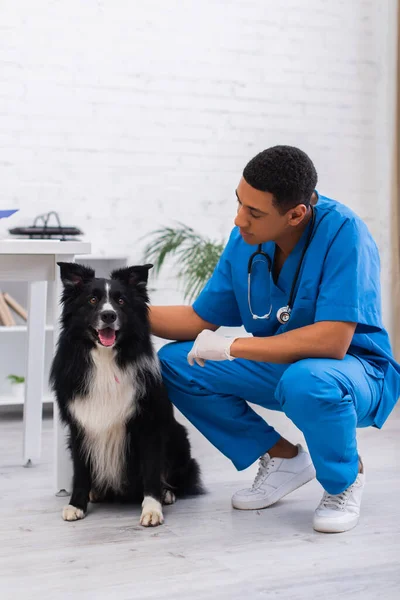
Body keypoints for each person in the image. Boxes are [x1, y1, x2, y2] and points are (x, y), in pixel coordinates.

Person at [149, 145, 400, 533]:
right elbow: (201, 319)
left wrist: (233, 346)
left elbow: (332, 341)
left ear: (296, 213)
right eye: (239, 203)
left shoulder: (345, 233)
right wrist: (124, 310)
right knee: (175, 363)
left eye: (254, 212)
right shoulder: (246, 239)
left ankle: (344, 480)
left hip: (356, 372)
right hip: (284, 367)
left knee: (309, 380)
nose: (239, 219)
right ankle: (283, 458)